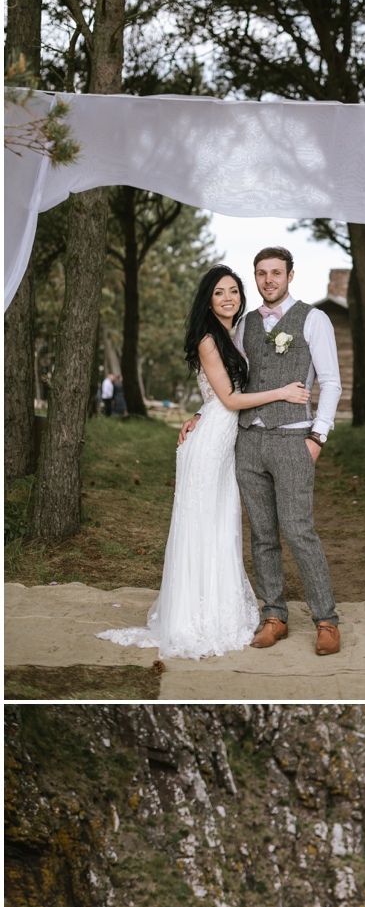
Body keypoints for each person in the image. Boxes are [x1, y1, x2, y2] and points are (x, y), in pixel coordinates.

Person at [96, 265, 309, 660]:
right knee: (206, 527)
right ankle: (195, 618)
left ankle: (217, 609)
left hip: (224, 436)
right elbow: (228, 400)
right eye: (219, 293)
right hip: (212, 444)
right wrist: (281, 392)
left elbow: (215, 396)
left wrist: (197, 411)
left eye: (233, 291)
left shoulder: (234, 333)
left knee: (222, 526)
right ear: (208, 300)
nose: (228, 298)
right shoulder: (209, 339)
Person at [224, 245, 343, 658]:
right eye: (261, 273)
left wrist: (318, 436)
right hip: (250, 441)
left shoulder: (313, 319)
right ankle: (273, 615)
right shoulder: (243, 325)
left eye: (276, 272)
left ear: (290, 275)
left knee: (299, 530)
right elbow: (234, 385)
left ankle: (326, 619)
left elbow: (331, 382)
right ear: (254, 277)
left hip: (294, 438)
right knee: (262, 535)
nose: (268, 280)